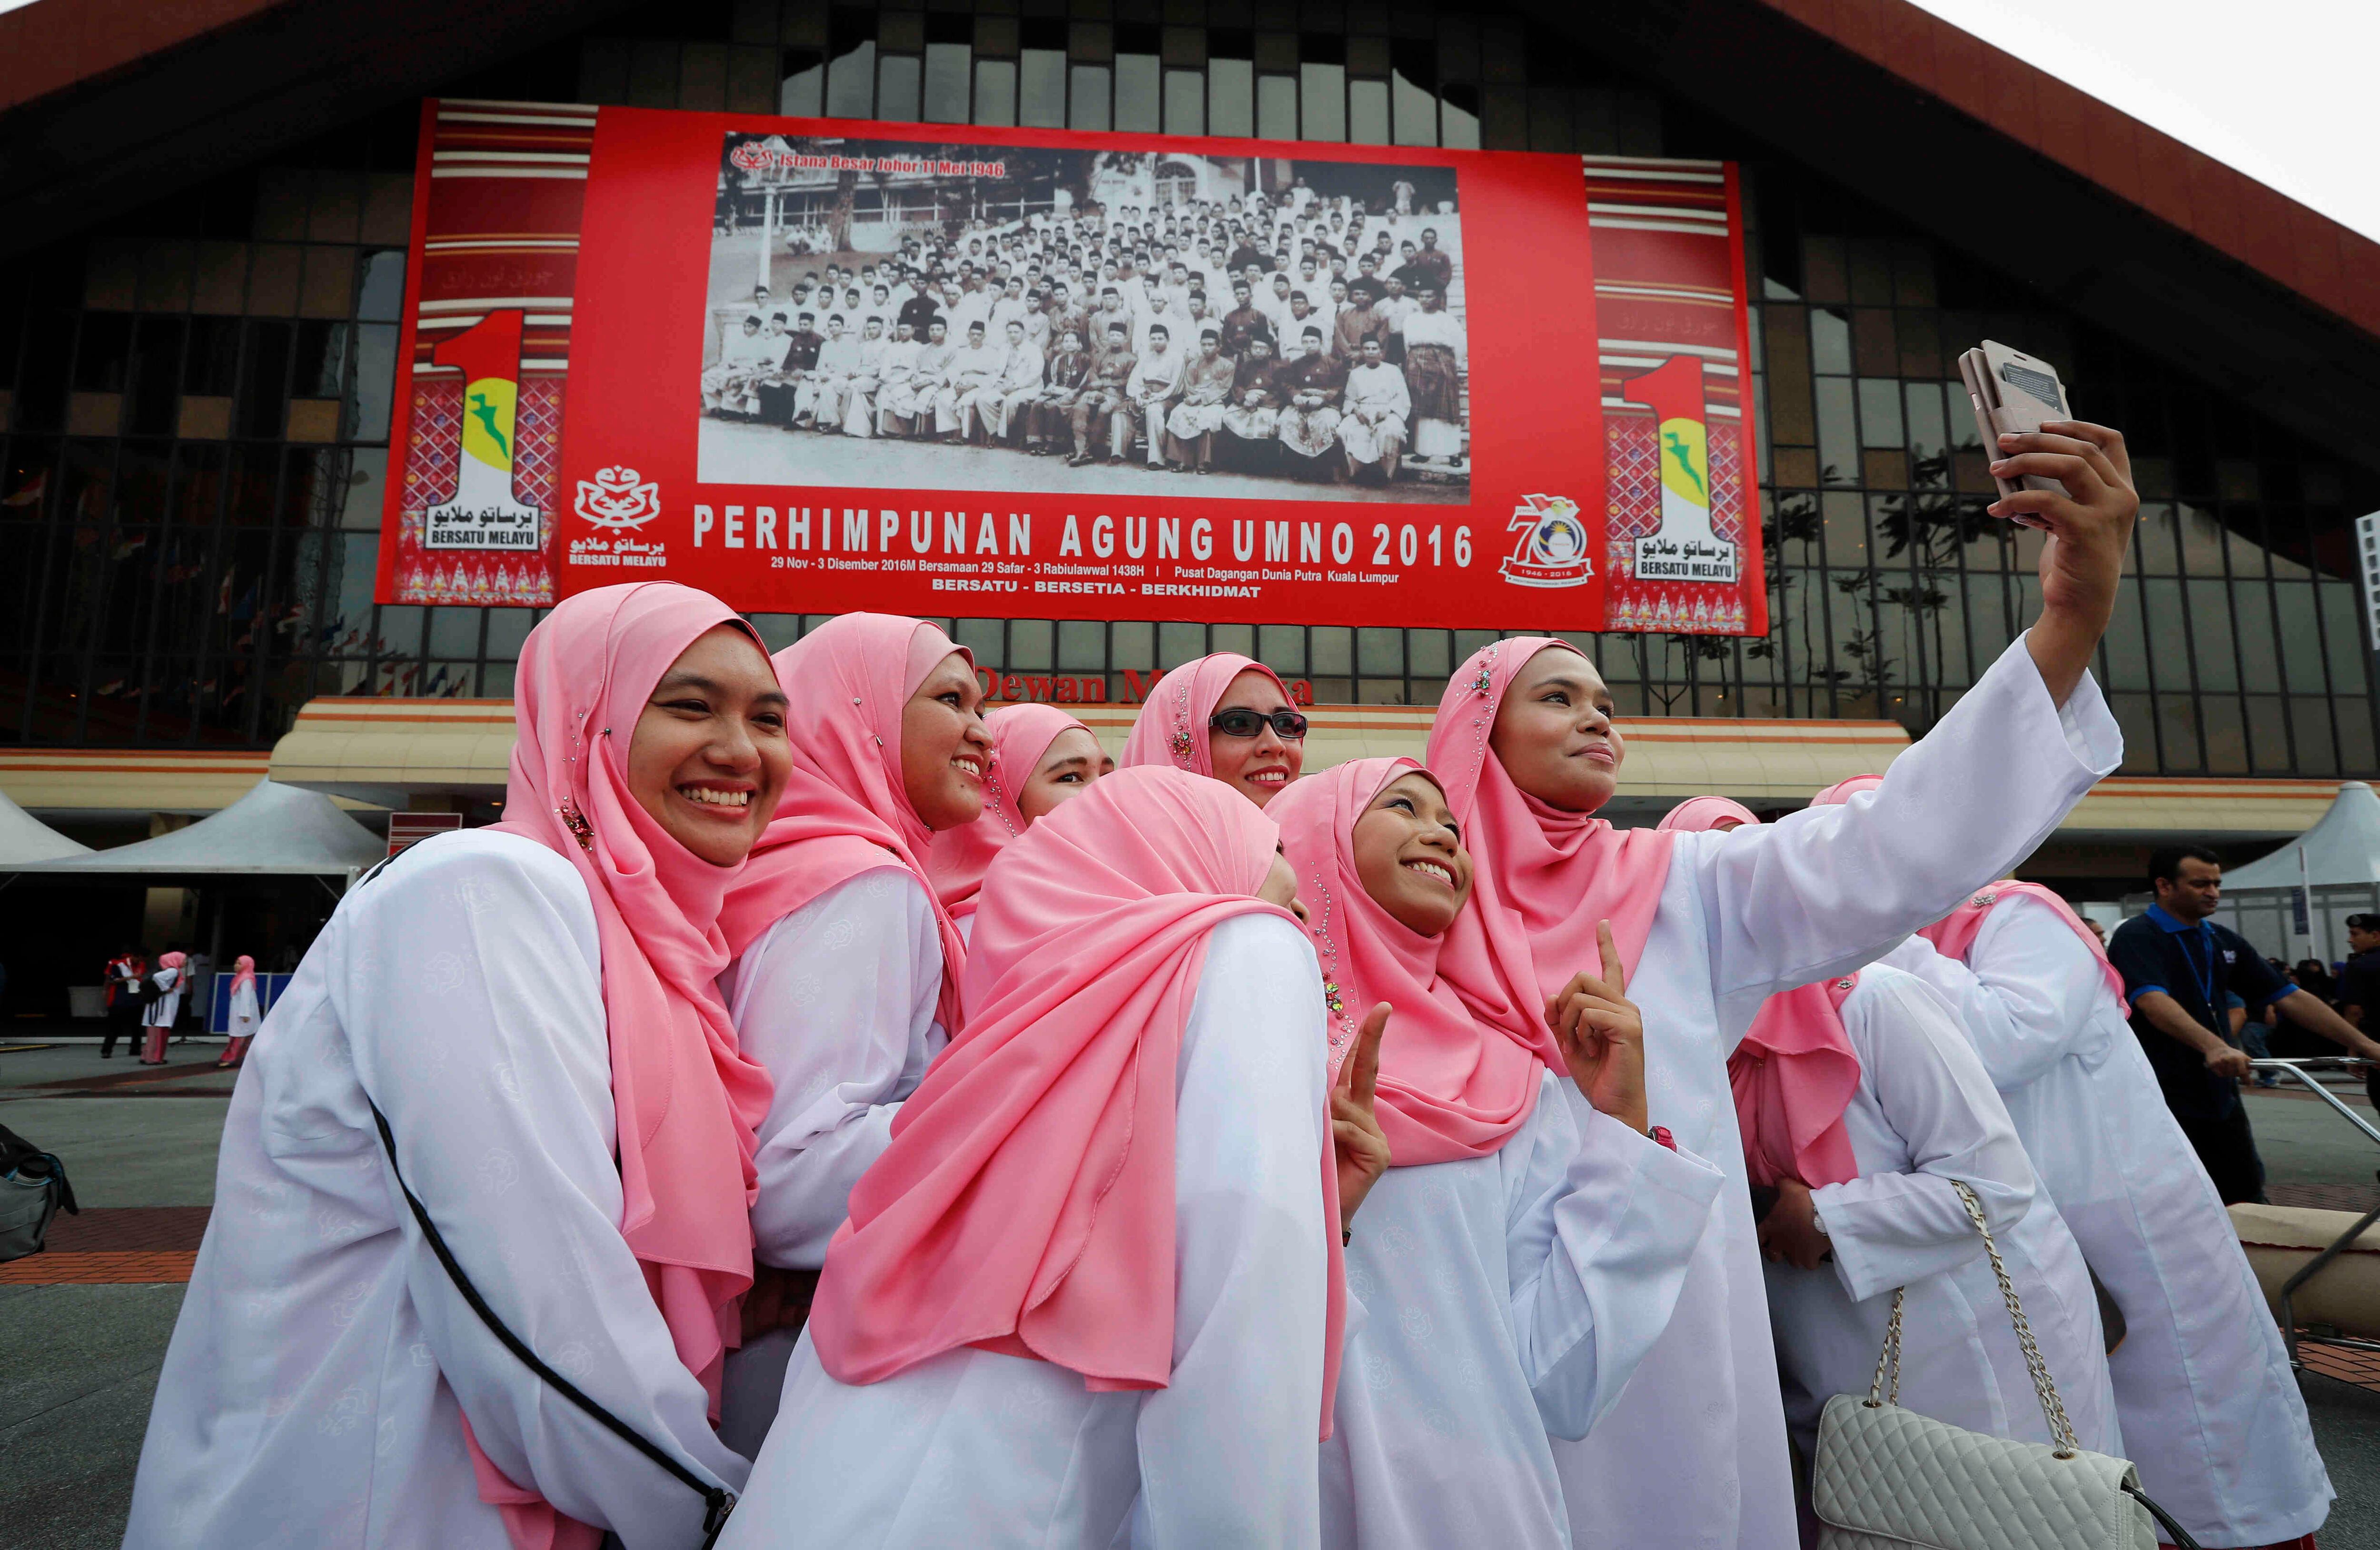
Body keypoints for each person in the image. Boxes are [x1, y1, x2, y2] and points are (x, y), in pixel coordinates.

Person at [1424, 416, 2138, 1550]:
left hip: (1662, 1330)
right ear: (1474, 734)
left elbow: (1888, 841)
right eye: (1556, 696)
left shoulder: (1678, 888)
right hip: (1465, 1331)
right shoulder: (1415, 915)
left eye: (1605, 697)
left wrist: (2070, 618)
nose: (1597, 712)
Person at [127, 582, 782, 1549]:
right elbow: (530, 1285)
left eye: (769, 717)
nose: (742, 748)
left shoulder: (659, 952)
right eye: (688, 705)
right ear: (582, 718)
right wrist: (712, 1509)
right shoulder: (482, 889)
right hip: (371, 1496)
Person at [720, 768, 1353, 1550]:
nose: (1298, 881)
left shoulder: (997, 1070)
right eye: (1275, 847)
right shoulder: (1248, 943)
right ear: (1191, 853)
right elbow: (1246, 1299)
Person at [1276, 760, 1722, 1550]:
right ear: (1315, 842)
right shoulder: (1246, 1056)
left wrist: (1621, 1125)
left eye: (1450, 820)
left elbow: (1565, 1378)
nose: (1440, 832)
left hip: (1477, 1514)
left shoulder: (1510, 1082)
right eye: (1401, 808)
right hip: (1291, 1505)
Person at [1862, 860, 2338, 1550]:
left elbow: (2008, 1040)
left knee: (2194, 1431)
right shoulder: (1932, 933)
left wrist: (1883, 938)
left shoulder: (2015, 911)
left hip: (2125, 1209)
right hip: (2041, 1207)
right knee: (2088, 1438)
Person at [1660, 800, 2119, 1484]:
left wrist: (1823, 1217)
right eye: (1708, 882)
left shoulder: (1874, 1001)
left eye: (1753, 871)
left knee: (2004, 1514)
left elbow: (1990, 1187)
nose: (1737, 901)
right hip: (1824, 1358)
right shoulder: (1675, 1042)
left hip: (1967, 1339)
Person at [711, 614, 988, 1457]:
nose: (985, 732)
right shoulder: (857, 883)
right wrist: (1013, 1122)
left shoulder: (802, 863)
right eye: (951, 699)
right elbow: (793, 1173)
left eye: (984, 705)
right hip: (806, 1362)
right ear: (856, 713)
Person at [2106, 846, 2380, 1205]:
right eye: (2201, 884)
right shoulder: (2138, 936)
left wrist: (2363, 1043)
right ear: (2164, 886)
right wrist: (2215, 1045)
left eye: (2217, 883)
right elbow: (2153, 1002)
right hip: (2160, 1094)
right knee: (2174, 1204)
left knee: (2246, 1196)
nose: (2213, 892)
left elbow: (2289, 996)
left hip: (2218, 1091)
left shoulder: (2219, 938)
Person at [928, 703, 1102, 930]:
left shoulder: (1104, 896)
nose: (1104, 790)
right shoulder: (987, 923)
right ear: (1003, 793)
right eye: (1070, 777)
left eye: (1107, 774)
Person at [1121, 652, 1304, 807]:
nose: (1276, 745)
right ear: (1182, 744)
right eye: (1239, 723)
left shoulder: (1324, 844)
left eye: (1285, 723)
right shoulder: (1126, 849)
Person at [1398, 286, 1464, 463]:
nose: (1425, 300)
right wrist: (1414, 363)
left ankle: (1453, 453)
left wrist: (1454, 365)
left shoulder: (1448, 320)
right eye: (1422, 296)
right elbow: (1407, 345)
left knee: (1446, 408)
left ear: (1438, 298)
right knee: (1423, 409)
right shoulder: (1411, 319)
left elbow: (1459, 344)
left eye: (1429, 296)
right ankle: (1423, 451)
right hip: (1418, 362)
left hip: (1443, 362)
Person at [1164, 326, 1237, 472]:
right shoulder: (1194, 364)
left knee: (1207, 418)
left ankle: (1204, 462)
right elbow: (1188, 385)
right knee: (1179, 413)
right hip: (1194, 399)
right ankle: (1183, 460)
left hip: (1214, 401)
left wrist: (1202, 397)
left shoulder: (1227, 365)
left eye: (1211, 345)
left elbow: (1224, 389)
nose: (1207, 348)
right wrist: (1193, 397)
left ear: (1218, 347)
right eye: (1204, 345)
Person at [1338, 335, 1409, 482]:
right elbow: (1349, 399)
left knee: (1391, 430)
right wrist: (1357, 411)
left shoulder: (1393, 371)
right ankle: (1356, 472)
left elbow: (1402, 398)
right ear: (1362, 352)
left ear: (1381, 352)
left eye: (1374, 349)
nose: (1371, 352)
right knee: (1344, 429)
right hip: (1363, 411)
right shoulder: (1355, 373)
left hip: (1387, 411)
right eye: (1367, 349)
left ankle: (1386, 474)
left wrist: (1387, 410)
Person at [1275, 328, 1345, 482]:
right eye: (1305, 342)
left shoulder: (1334, 364)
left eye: (1313, 342)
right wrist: (1295, 396)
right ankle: (1296, 468)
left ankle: (1323, 470)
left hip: (1325, 406)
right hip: (1300, 405)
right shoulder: (1296, 364)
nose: (1309, 345)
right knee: (1287, 421)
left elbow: (1339, 388)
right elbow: (1287, 384)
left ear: (1321, 343)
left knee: (1326, 422)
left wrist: (1324, 399)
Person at [2337, 913, 2380, 1107]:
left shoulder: (2360, 966)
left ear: (2375, 936)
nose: (2350, 940)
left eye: (2355, 934)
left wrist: (2353, 1049)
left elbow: (2354, 1010)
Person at [139, 950, 188, 1065]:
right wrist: (166, 988)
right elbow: (157, 977)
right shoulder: (173, 971)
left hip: (156, 1006)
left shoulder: (167, 970)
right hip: (163, 1007)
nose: (185, 962)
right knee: (160, 1032)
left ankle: (147, 1055)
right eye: (184, 959)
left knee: (152, 1032)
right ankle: (155, 1058)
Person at [215, 955, 261, 1069]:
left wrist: (245, 1014)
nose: (236, 966)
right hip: (239, 1012)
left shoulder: (246, 980)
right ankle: (235, 1058)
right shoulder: (239, 978)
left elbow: (246, 998)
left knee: (241, 1037)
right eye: (236, 963)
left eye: (240, 964)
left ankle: (231, 1058)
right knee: (239, 1036)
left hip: (244, 1015)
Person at [102, 945, 145, 1059]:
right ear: (133, 956)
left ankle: (135, 1049)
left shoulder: (141, 964)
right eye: (139, 959)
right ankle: (107, 1050)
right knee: (114, 1027)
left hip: (136, 999)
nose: (140, 962)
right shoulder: (117, 964)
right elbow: (112, 980)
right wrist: (130, 977)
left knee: (137, 1027)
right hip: (120, 999)